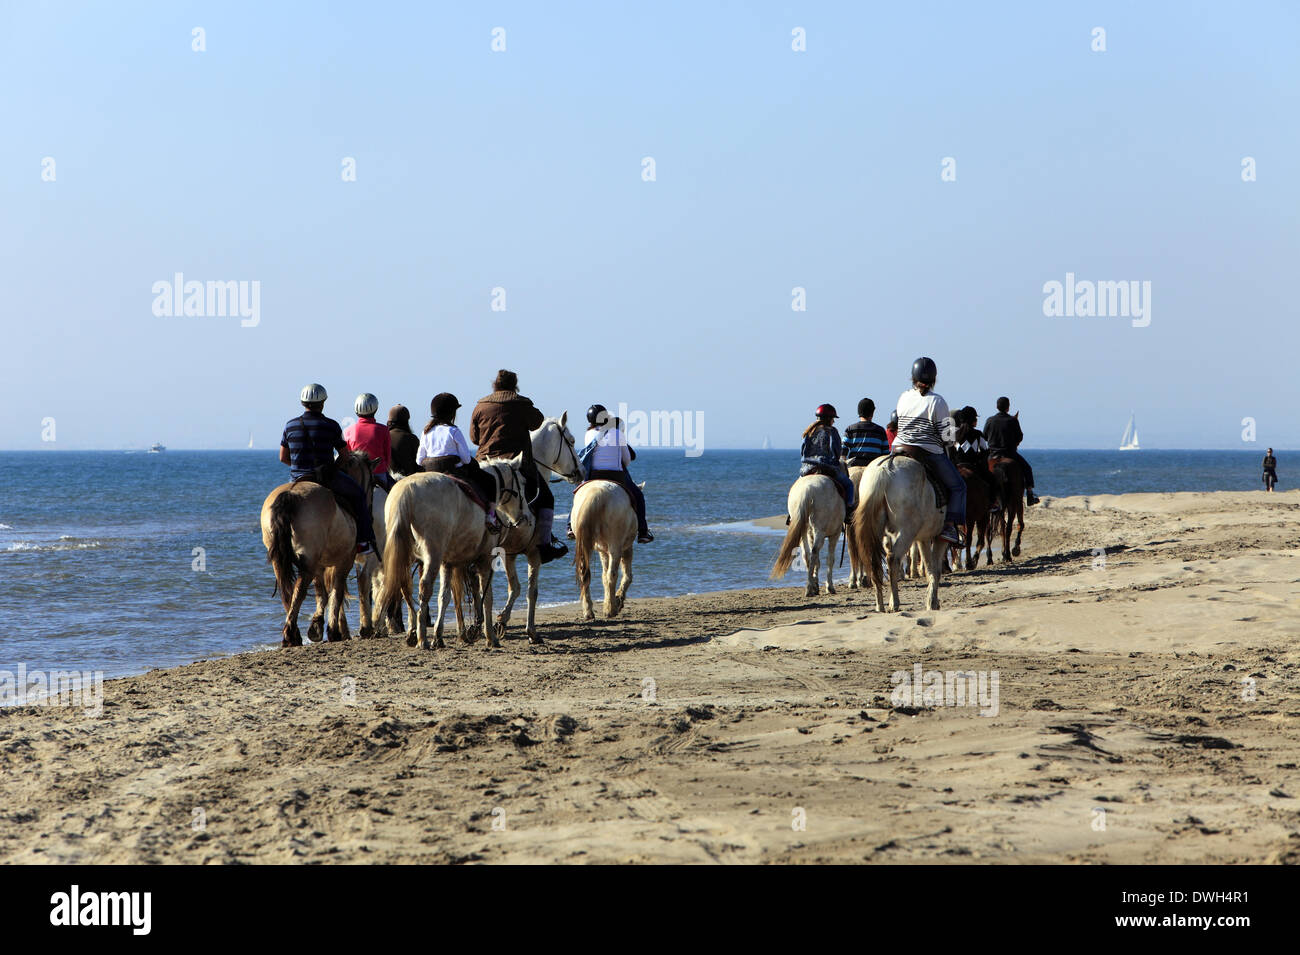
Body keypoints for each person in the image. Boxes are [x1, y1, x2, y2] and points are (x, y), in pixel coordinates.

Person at [470, 369, 567, 563]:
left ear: (494, 384)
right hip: (515, 464)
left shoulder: (480, 406)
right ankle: (545, 546)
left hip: (484, 465)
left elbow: (474, 438)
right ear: (515, 385)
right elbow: (538, 422)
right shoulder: (521, 404)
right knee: (546, 498)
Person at [279, 383, 378, 555]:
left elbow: (283, 457)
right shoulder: (331, 425)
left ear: (302, 403)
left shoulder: (290, 425)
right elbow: (345, 456)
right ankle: (363, 541)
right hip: (326, 477)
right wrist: (333, 469)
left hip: (297, 478)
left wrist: (298, 468)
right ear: (323, 403)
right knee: (359, 495)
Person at [893, 358, 966, 546]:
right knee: (959, 486)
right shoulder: (938, 401)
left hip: (898, 448)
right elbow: (946, 437)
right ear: (934, 378)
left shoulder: (903, 397)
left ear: (912, 377)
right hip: (926, 452)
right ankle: (950, 526)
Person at [417, 393, 500, 530]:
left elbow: (419, 460)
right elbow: (467, 459)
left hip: (430, 472)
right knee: (490, 480)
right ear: (451, 413)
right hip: (454, 471)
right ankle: (490, 516)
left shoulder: (426, 432)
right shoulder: (454, 431)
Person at [576, 404, 653, 543]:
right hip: (615, 476)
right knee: (639, 496)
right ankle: (643, 531)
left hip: (593, 476)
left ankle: (570, 525)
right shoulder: (618, 433)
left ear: (590, 420)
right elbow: (627, 460)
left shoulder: (588, 434)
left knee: (578, 496)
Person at [983, 397, 1040, 505]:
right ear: (1008, 408)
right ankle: (1030, 494)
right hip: (1010, 454)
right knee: (1027, 468)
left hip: (992, 455)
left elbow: (985, 436)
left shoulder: (989, 420)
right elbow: (1019, 437)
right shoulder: (1013, 420)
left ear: (997, 407)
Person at [800, 404, 855, 512]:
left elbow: (803, 452)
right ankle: (849, 510)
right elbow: (836, 452)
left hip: (807, 468)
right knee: (849, 485)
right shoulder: (832, 431)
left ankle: (791, 516)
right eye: (833, 419)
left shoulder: (808, 431)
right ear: (829, 419)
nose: (833, 421)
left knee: (796, 488)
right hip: (827, 467)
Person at [950, 406, 999, 514]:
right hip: (973, 466)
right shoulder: (978, 434)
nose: (976, 421)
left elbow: (952, 451)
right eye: (976, 419)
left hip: (958, 466)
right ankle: (992, 503)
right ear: (972, 420)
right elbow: (985, 451)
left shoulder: (954, 434)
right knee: (992, 480)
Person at [343, 393, 394, 491]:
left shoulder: (348, 431)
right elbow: (387, 457)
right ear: (375, 409)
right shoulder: (384, 430)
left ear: (356, 411)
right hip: (379, 473)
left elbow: (347, 457)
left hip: (357, 476)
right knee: (397, 492)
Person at [843, 398, 890, 467]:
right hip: (873, 468)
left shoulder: (850, 429)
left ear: (859, 412)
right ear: (872, 412)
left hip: (854, 466)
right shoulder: (880, 431)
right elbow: (885, 455)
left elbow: (843, 451)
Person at [386, 404, 420, 479]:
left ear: (389, 422)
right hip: (408, 482)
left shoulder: (383, 437)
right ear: (406, 422)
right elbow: (418, 463)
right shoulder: (412, 439)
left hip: (387, 481)